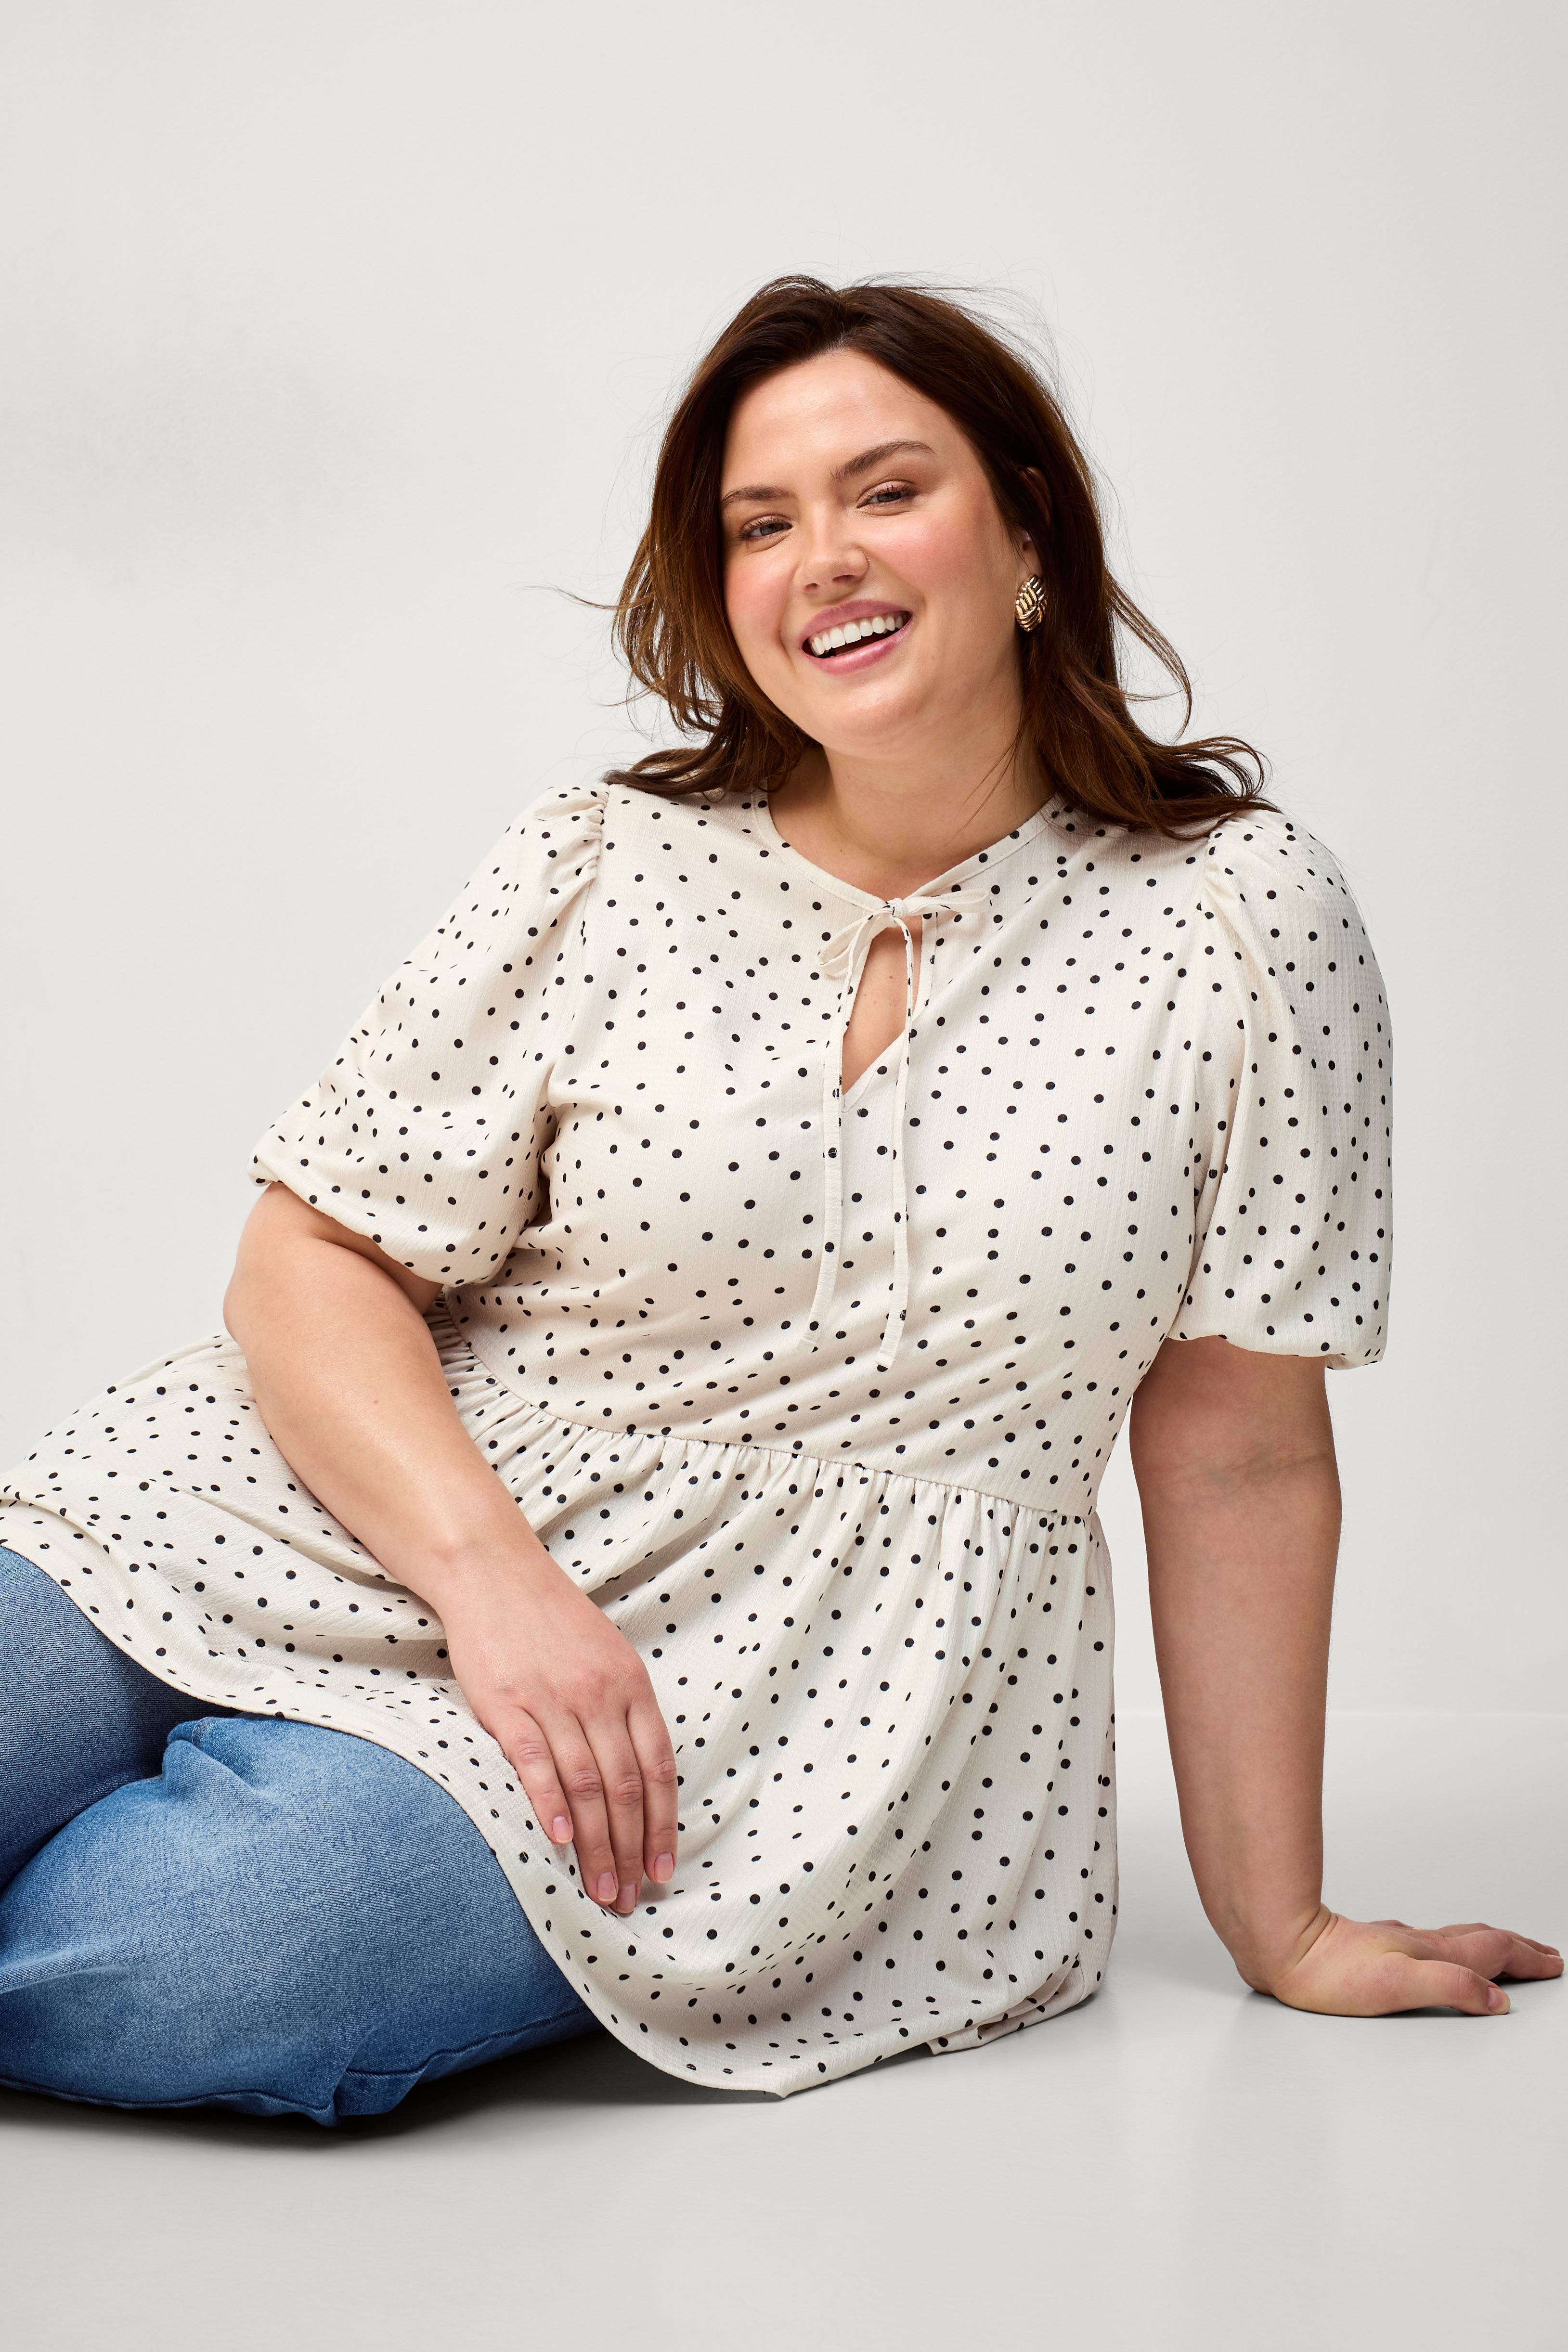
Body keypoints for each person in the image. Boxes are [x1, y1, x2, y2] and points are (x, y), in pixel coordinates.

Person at [0, 277, 1556, 2126]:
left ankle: (302, 1823)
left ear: (1027, 531)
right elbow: (313, 1251)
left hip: (781, 1701)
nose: (822, 558)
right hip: (327, 1507)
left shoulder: (1238, 918)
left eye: (886, 490)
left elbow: (1240, 1453)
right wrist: (496, 1587)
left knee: (225, 1955)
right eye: (759, 523)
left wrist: (1276, 1921)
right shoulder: (603, 858)